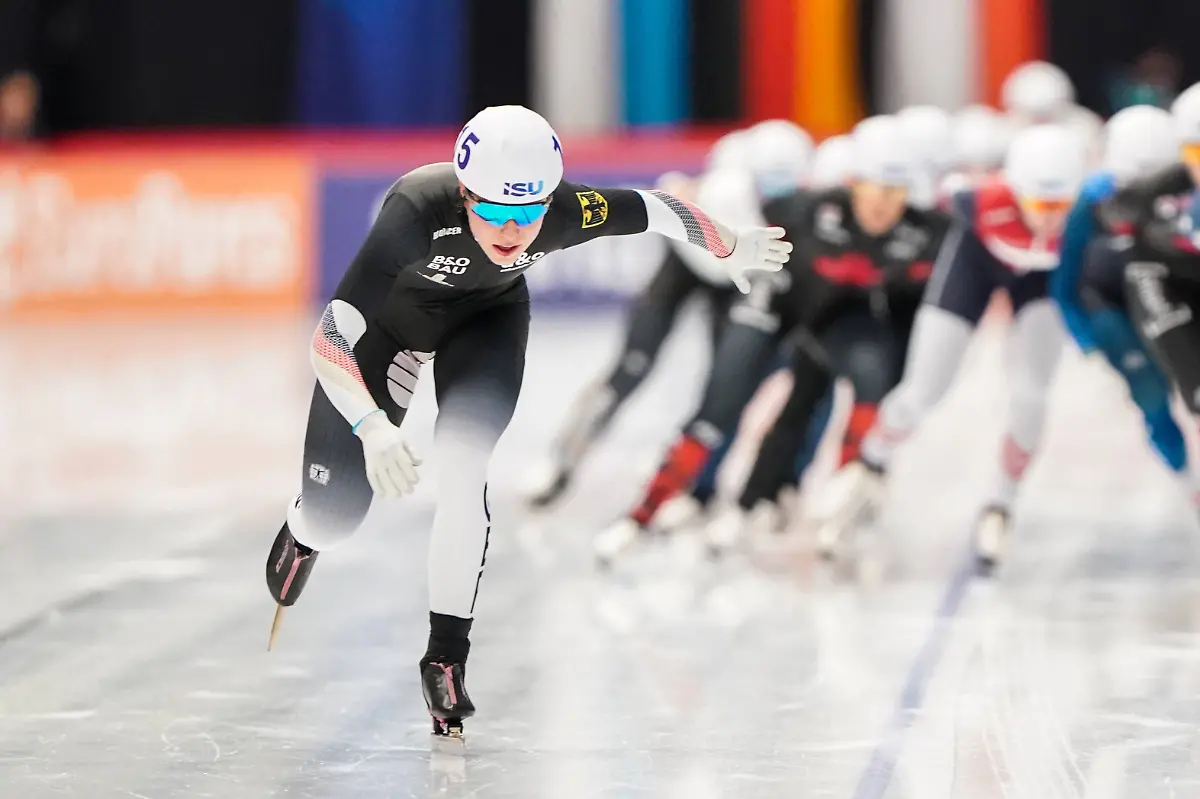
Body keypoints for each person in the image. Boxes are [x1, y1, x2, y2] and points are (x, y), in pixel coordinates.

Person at [262, 105, 792, 741]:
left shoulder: (567, 211)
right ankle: (307, 526)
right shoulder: (414, 212)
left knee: (463, 472)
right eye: (493, 212)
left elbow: (655, 208)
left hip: (486, 325)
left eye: (529, 212)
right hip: (388, 336)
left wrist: (727, 245)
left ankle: (444, 661)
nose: (512, 232)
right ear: (463, 193)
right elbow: (328, 341)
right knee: (336, 517)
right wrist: (373, 427)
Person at [591, 115, 949, 566]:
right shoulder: (806, 207)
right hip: (773, 305)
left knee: (873, 380)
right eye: (874, 189)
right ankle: (640, 515)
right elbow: (724, 222)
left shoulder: (924, 232)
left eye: (895, 193)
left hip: (835, 319)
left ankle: (840, 502)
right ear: (853, 182)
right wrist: (691, 199)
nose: (883, 206)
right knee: (717, 410)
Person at [811, 124, 1089, 573]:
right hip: (974, 267)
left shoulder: (1089, 213)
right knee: (923, 390)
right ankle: (870, 463)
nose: (1052, 218)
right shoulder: (974, 200)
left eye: (1064, 206)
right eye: (1041, 204)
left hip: (1040, 286)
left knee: (1031, 394)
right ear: (1015, 189)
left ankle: (1001, 503)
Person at [522, 120, 812, 508]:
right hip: (687, 264)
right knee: (632, 366)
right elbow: (672, 205)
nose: (775, 199)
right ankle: (561, 461)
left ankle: (696, 486)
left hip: (737, 277)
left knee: (727, 381)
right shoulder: (724, 191)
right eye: (766, 186)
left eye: (785, 187)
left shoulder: (802, 203)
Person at [1050, 105, 1199, 503]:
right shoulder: (1092, 202)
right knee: (1153, 398)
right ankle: (1190, 486)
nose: (1144, 201)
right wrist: (1087, 341)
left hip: (1172, 297)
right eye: (1131, 189)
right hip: (1115, 312)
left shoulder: (1186, 192)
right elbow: (1065, 281)